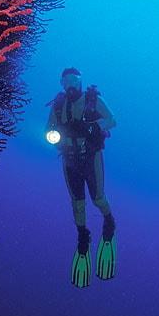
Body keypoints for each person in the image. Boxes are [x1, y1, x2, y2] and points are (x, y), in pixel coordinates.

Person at [45, 67, 117, 287]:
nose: (70, 85)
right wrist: (55, 136)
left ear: (80, 81)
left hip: (91, 157)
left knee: (98, 198)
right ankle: (82, 236)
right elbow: (48, 130)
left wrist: (91, 128)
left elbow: (112, 120)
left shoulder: (92, 100)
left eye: (74, 80)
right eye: (66, 81)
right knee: (77, 202)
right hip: (69, 160)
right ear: (62, 83)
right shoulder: (58, 105)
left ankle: (109, 222)